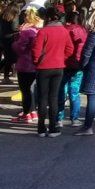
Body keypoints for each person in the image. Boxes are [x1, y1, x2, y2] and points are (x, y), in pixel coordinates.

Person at [31, 8, 74, 137]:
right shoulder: (64, 31)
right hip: (59, 67)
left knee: (43, 98)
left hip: (43, 68)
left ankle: (41, 128)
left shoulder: (43, 32)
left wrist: (37, 61)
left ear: (48, 18)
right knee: (54, 98)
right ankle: (53, 128)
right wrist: (61, 58)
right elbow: (70, 49)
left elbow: (36, 50)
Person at [11, 7, 44, 123]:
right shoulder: (39, 30)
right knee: (32, 89)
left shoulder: (26, 31)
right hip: (36, 64)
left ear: (27, 17)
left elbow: (20, 47)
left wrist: (15, 42)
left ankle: (26, 114)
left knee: (25, 90)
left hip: (25, 63)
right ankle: (33, 111)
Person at [58, 11, 87, 127]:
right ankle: (74, 118)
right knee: (74, 92)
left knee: (61, 91)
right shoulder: (82, 30)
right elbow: (82, 48)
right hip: (77, 65)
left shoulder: (63, 29)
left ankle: (58, 118)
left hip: (62, 64)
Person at [0, 4, 20, 84]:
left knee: (8, 58)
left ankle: (6, 77)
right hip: (11, 39)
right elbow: (14, 28)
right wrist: (20, 29)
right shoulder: (14, 17)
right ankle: (6, 77)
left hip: (3, 39)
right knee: (11, 59)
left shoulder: (3, 15)